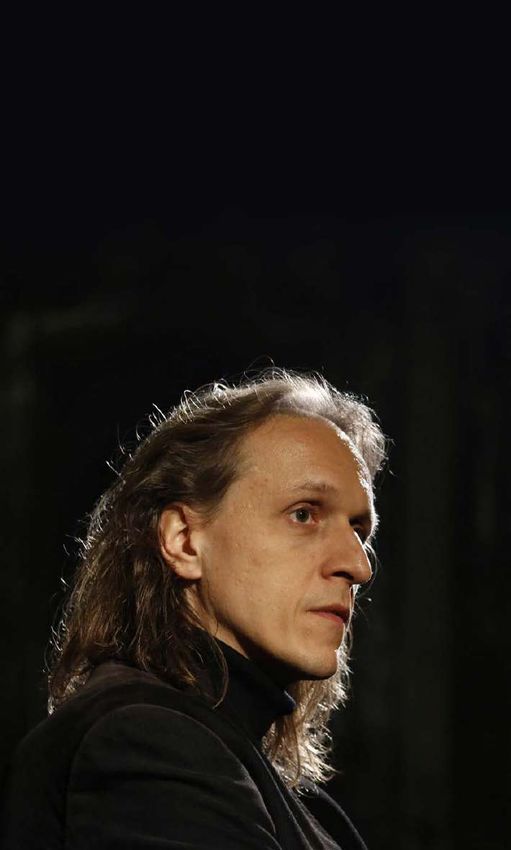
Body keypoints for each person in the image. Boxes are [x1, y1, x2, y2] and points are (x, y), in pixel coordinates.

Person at [3, 368, 387, 849]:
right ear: (184, 540)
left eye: (359, 532)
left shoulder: (248, 769)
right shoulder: (147, 743)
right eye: (304, 514)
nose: (358, 566)